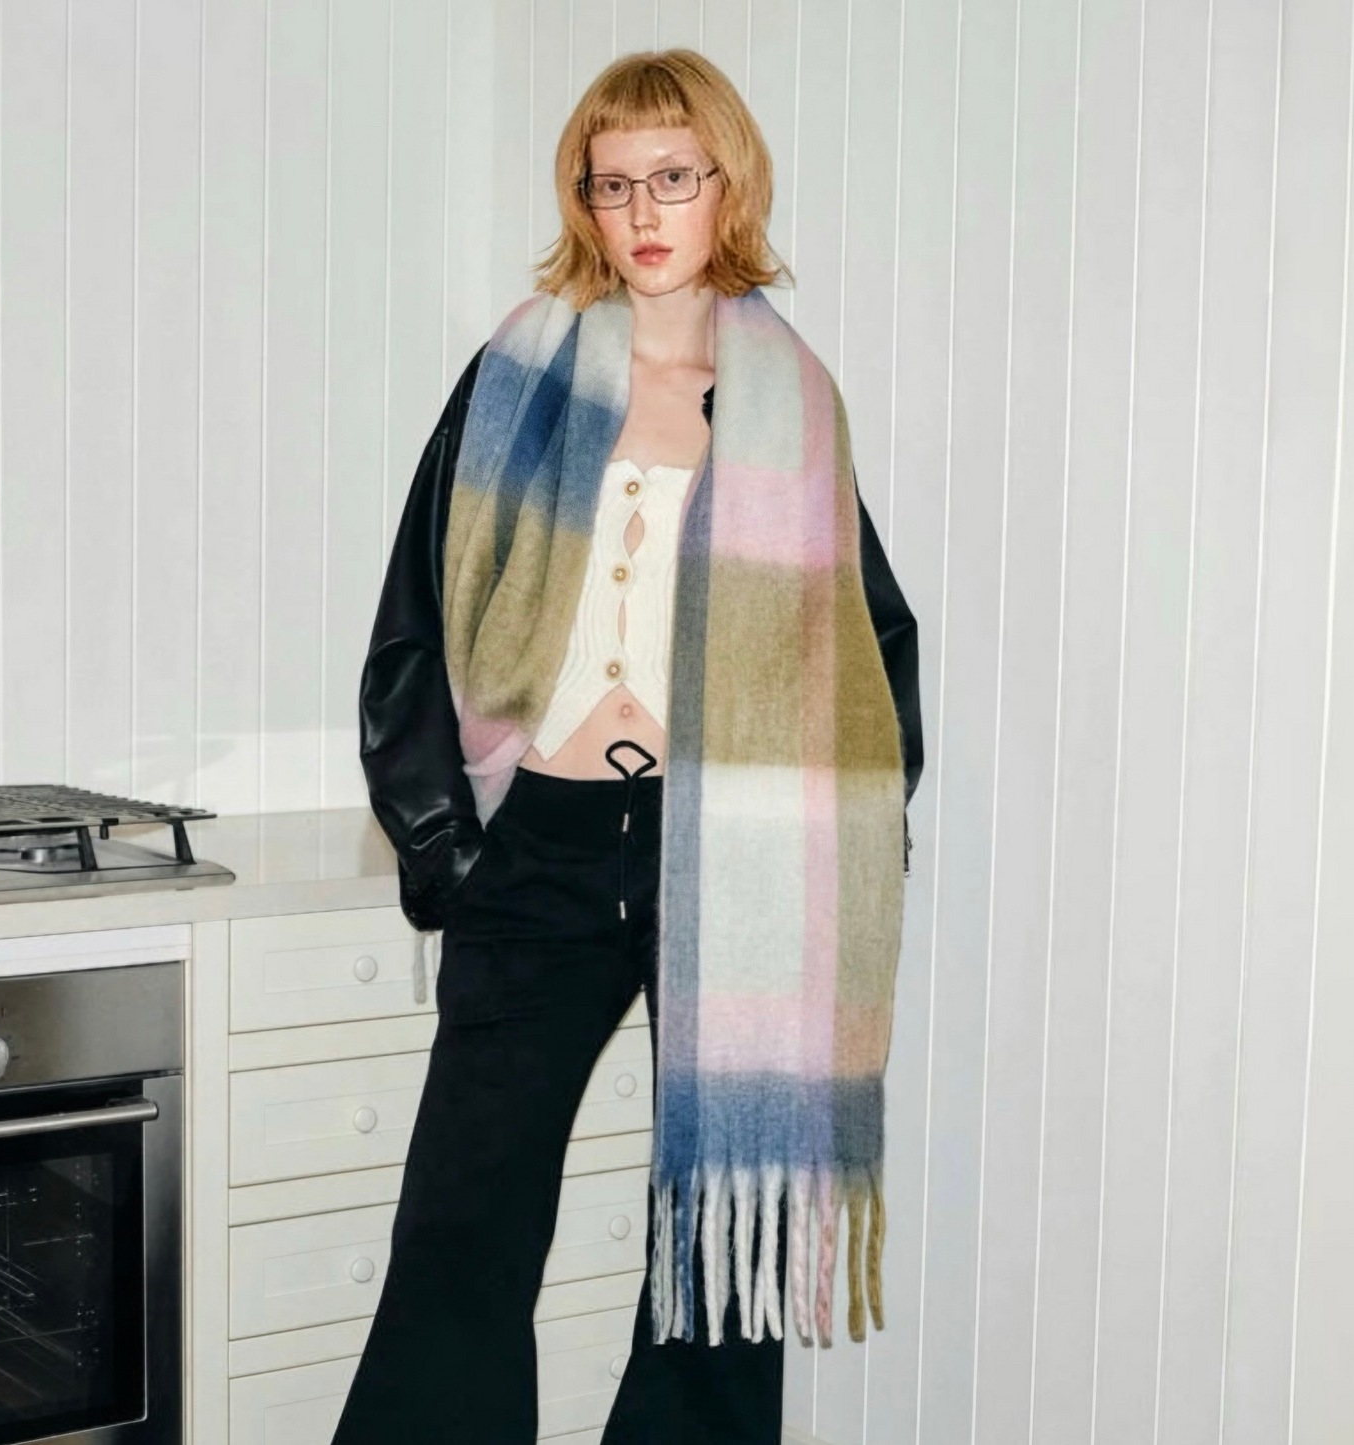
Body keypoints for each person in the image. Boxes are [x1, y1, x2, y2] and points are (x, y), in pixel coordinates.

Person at [333, 47, 922, 1445]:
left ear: (728, 184)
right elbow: (414, 621)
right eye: (613, 186)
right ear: (584, 202)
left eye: (673, 178)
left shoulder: (793, 402)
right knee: (466, 1221)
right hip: (537, 843)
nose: (645, 212)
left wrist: (839, 842)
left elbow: (870, 642)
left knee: (722, 1231)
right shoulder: (520, 375)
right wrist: (444, 849)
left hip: (724, 859)